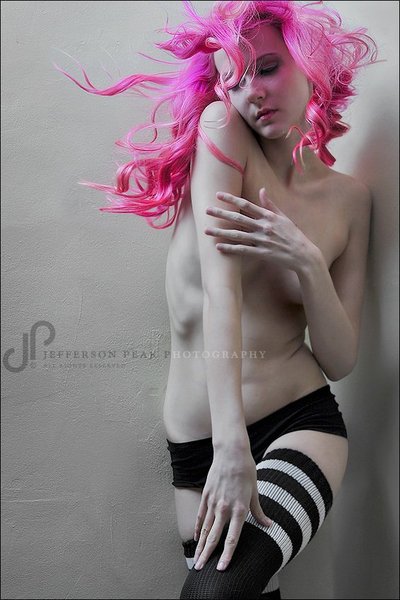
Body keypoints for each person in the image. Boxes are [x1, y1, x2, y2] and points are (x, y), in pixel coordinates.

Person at [56, 1, 379, 597]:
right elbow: (219, 289)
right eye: (233, 78)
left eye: (268, 67)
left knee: (214, 593)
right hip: (204, 442)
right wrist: (230, 448)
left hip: (298, 422)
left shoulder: (350, 201)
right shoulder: (222, 130)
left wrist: (308, 262)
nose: (251, 91)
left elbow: (340, 358)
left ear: (311, 63)